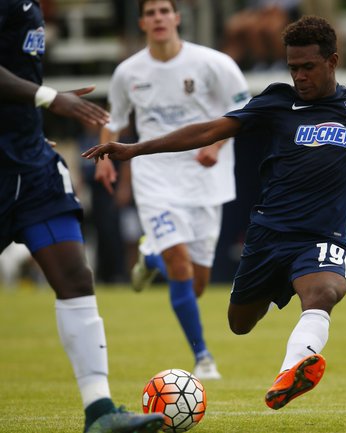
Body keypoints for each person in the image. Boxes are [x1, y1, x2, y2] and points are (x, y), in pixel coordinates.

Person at [83, 15, 346, 410]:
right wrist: (136, 148)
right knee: (239, 323)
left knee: (324, 292)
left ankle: (292, 370)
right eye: (293, 68)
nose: (300, 76)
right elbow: (211, 128)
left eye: (308, 67)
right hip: (268, 234)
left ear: (332, 61)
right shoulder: (277, 103)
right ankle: (276, 294)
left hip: (322, 235)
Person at [0, 2, 164, 432]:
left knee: (75, 276)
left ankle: (99, 410)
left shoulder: (33, 7)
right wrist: (51, 98)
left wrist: (29, 123)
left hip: (32, 167)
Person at [94, 0, 251, 381]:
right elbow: (114, 119)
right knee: (179, 266)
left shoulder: (213, 63)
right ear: (142, 22)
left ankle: (150, 258)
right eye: (151, 13)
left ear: (177, 17)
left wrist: (216, 146)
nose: (158, 18)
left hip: (205, 180)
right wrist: (104, 157)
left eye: (164, 10)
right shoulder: (128, 72)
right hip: (155, 179)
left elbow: (244, 109)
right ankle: (203, 358)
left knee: (196, 283)